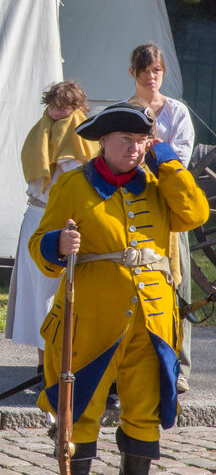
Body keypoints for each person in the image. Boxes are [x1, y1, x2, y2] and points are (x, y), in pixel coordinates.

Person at [29, 102, 208, 475]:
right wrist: (57, 243)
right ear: (104, 141)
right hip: (90, 322)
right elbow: (38, 245)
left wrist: (165, 157)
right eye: (126, 138)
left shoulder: (159, 185)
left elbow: (195, 213)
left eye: (141, 140)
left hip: (152, 321)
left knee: (145, 413)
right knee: (80, 409)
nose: (134, 147)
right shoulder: (73, 185)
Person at [5, 81, 96, 371]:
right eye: (53, 106)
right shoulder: (40, 132)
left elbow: (82, 178)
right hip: (38, 217)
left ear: (77, 108)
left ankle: (69, 364)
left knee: (66, 295)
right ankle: (44, 365)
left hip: (69, 222)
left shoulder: (83, 135)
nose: (57, 112)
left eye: (64, 107)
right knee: (38, 296)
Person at [126, 42, 195, 394]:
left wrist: (150, 153)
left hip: (169, 207)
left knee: (178, 286)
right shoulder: (124, 112)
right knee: (133, 286)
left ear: (163, 72)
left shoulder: (176, 112)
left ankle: (179, 366)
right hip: (133, 209)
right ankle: (133, 361)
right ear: (133, 73)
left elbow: (179, 158)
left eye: (156, 70)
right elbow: (116, 157)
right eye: (144, 71)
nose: (150, 77)